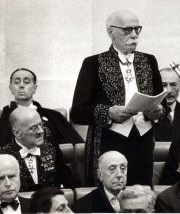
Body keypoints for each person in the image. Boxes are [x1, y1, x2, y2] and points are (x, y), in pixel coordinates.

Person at [70, 10, 165, 186]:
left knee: (140, 196)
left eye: (137, 29)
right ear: (110, 31)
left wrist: (157, 112)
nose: (134, 34)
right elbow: (77, 112)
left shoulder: (149, 61)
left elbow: (162, 105)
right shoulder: (93, 63)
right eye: (127, 29)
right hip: (108, 142)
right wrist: (108, 112)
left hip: (143, 144)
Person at [0, 107, 74, 194]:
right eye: (34, 128)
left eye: (41, 125)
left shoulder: (52, 147)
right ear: (17, 133)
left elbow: (70, 181)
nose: (41, 131)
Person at [0, 67, 84, 147]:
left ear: (35, 88)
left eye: (26, 82)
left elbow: (78, 145)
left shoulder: (54, 116)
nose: (21, 85)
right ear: (11, 88)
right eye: (17, 82)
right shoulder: (3, 123)